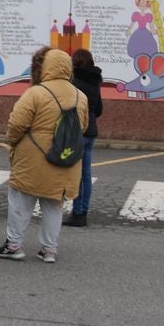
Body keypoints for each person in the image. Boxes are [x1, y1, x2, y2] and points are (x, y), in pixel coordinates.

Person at [0, 47, 89, 263]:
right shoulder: (79, 96)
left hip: (33, 157)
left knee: (21, 203)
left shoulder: (36, 92)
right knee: (54, 205)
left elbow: (17, 124)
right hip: (65, 157)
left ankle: (14, 246)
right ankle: (49, 250)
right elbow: (82, 126)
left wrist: (13, 141)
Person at [65, 48, 103, 227]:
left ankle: (77, 212)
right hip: (91, 132)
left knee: (77, 174)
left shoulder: (75, 83)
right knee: (86, 174)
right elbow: (100, 109)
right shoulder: (95, 83)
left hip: (79, 131)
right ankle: (83, 211)